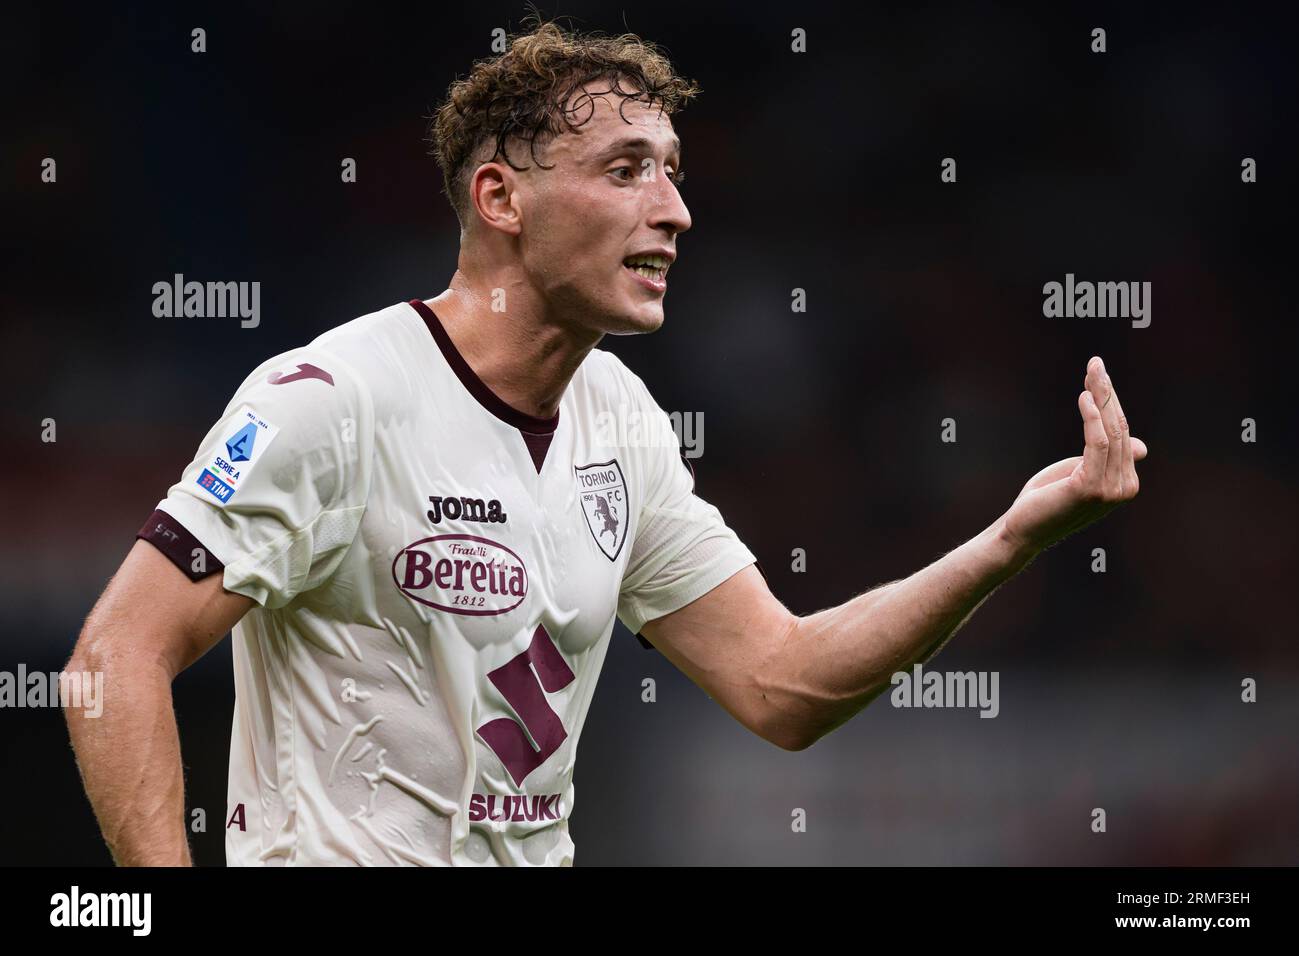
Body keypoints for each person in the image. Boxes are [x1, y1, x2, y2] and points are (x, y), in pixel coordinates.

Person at [64, 20, 1146, 867]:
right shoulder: (332, 398)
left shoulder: (619, 420)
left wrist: (1010, 538)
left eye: (672, 171)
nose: (673, 210)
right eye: (627, 170)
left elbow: (783, 684)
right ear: (501, 198)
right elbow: (112, 661)